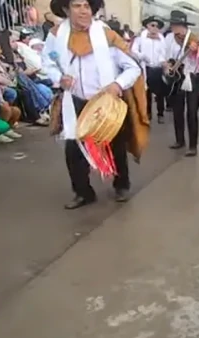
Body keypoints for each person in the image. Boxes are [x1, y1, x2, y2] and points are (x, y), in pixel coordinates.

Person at [43, 0, 149, 209]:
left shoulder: (107, 35)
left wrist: (117, 84)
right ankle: (83, 192)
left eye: (86, 6)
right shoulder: (56, 35)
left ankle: (121, 185)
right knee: (73, 149)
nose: (83, 11)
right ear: (66, 9)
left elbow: (132, 67)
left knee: (115, 145)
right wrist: (58, 77)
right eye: (77, 6)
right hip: (74, 101)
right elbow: (47, 62)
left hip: (105, 103)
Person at [164, 10, 199, 157]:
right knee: (177, 111)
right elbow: (164, 56)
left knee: (191, 112)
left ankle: (193, 146)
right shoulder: (169, 38)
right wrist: (167, 66)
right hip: (177, 78)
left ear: (182, 25)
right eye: (172, 25)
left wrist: (196, 53)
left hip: (193, 79)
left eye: (175, 25)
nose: (173, 28)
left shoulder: (194, 39)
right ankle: (179, 140)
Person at [133, 16, 167, 124]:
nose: (155, 28)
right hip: (146, 68)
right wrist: (142, 56)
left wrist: (162, 61)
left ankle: (160, 113)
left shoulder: (161, 39)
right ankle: (148, 114)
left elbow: (164, 53)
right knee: (146, 92)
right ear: (147, 26)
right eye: (152, 25)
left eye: (157, 26)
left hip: (158, 68)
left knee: (160, 93)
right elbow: (134, 50)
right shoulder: (140, 38)